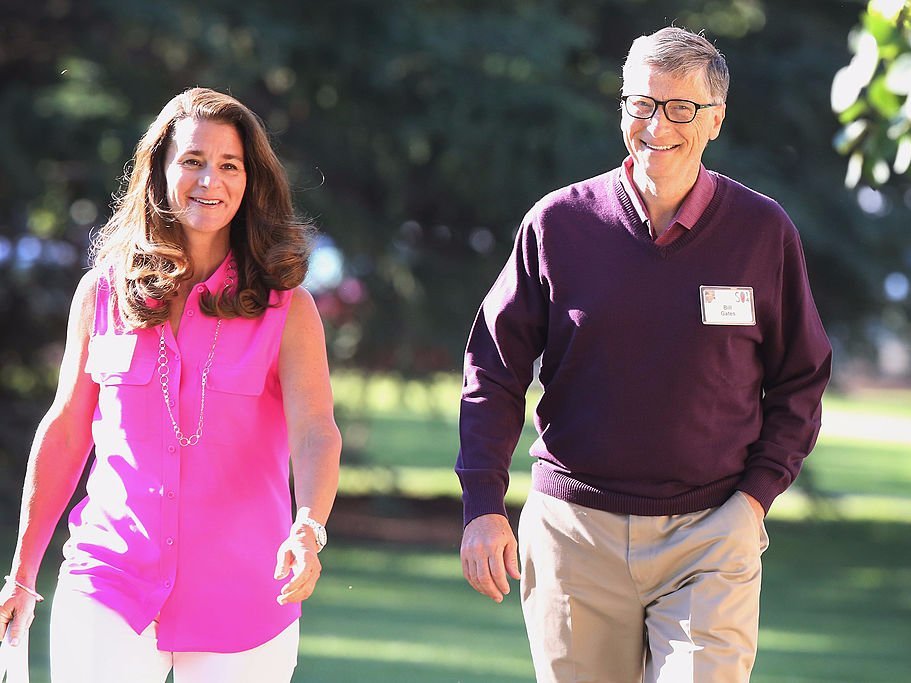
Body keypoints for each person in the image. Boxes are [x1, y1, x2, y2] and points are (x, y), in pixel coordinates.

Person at [456, 27, 832, 683]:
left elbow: (800, 378)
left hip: (711, 534)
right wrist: (483, 503)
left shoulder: (761, 230)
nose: (656, 124)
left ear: (714, 119)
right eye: (640, 104)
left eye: (679, 107)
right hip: (575, 535)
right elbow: (493, 369)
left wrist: (752, 502)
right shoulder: (557, 223)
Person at [0, 87, 342, 682]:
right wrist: (23, 572)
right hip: (109, 581)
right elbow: (65, 430)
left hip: (246, 600)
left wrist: (308, 528)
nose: (209, 179)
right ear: (159, 171)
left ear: (249, 181)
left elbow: (316, 431)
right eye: (191, 160)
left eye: (228, 165)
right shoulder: (103, 293)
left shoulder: (289, 311)